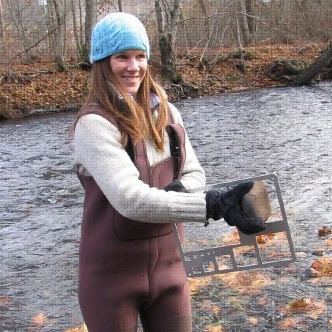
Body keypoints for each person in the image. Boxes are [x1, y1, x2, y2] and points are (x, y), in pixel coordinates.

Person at [73, 12, 265, 332]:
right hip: (110, 279)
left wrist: (180, 192)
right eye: (122, 57)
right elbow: (131, 200)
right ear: (102, 62)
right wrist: (212, 205)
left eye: (140, 56)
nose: (133, 66)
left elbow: (194, 172)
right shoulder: (94, 124)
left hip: (170, 272)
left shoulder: (166, 111)